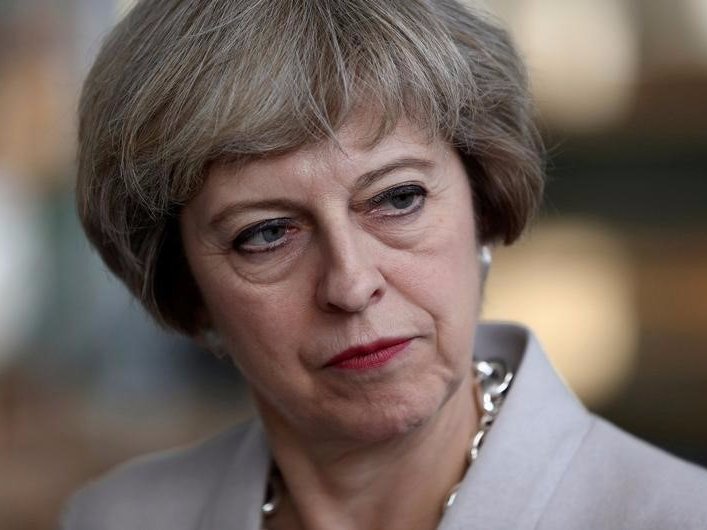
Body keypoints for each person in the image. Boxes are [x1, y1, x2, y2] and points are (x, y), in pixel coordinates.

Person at [62, 1, 707, 529]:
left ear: (482, 204)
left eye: (398, 198)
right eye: (265, 234)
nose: (350, 284)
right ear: (186, 284)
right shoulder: (114, 518)